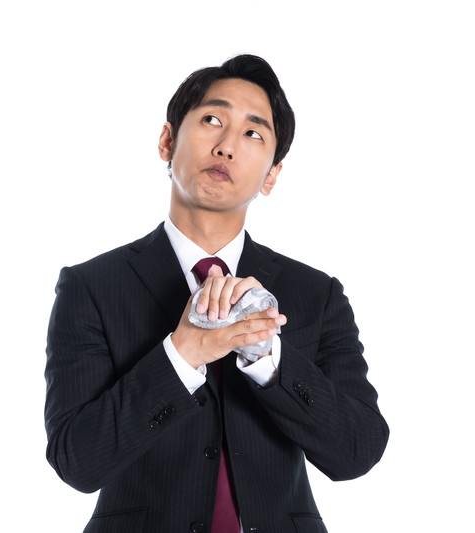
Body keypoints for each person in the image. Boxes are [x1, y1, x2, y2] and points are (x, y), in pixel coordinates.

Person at [44, 54, 388, 533]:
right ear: (167, 141)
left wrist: (269, 360)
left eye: (253, 134)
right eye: (212, 120)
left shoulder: (317, 294)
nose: (227, 146)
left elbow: (357, 452)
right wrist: (181, 354)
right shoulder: (92, 287)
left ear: (272, 175)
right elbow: (77, 461)